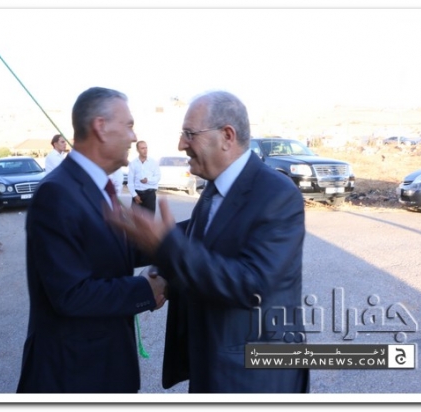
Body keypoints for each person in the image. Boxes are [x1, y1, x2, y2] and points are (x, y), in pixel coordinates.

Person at [107, 91, 309, 393]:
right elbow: (194, 238)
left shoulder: (277, 194)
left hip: (253, 378)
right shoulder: (215, 189)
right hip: (212, 366)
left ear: (227, 136)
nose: (181, 144)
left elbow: (251, 284)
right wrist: (125, 239)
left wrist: (164, 247)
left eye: (190, 134)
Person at [16, 87, 168, 394]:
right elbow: (70, 294)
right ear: (100, 126)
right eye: (128, 125)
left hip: (101, 366)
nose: (133, 136)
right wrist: (144, 290)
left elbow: (111, 252)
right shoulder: (57, 193)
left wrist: (178, 238)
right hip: (73, 375)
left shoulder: (93, 185)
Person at [127, 140, 161, 215]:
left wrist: (148, 180)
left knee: (149, 219)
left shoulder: (153, 162)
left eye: (146, 148)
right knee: (135, 219)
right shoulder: (133, 163)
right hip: (137, 194)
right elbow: (130, 181)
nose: (145, 150)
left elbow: (158, 177)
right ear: (137, 150)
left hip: (149, 194)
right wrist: (134, 195)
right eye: (142, 148)